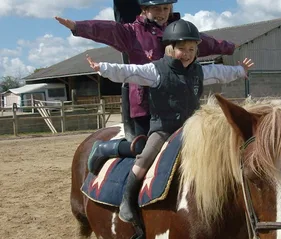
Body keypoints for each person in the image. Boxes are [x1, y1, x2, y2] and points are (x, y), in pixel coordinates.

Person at [86, 19, 254, 224]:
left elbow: (219, 74)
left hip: (193, 128)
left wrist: (239, 71)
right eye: (182, 48)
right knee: (145, 158)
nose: (188, 53)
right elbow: (130, 71)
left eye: (192, 48)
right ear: (170, 48)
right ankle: (127, 200)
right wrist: (103, 68)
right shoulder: (156, 71)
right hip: (163, 129)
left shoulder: (198, 71)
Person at [55, 0, 237, 150]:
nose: (162, 13)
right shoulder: (131, 33)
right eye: (157, 8)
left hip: (174, 103)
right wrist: (77, 27)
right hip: (145, 105)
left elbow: (205, 42)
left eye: (166, 8)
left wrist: (229, 47)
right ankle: (105, 150)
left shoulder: (177, 32)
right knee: (143, 148)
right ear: (144, 9)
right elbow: (107, 30)